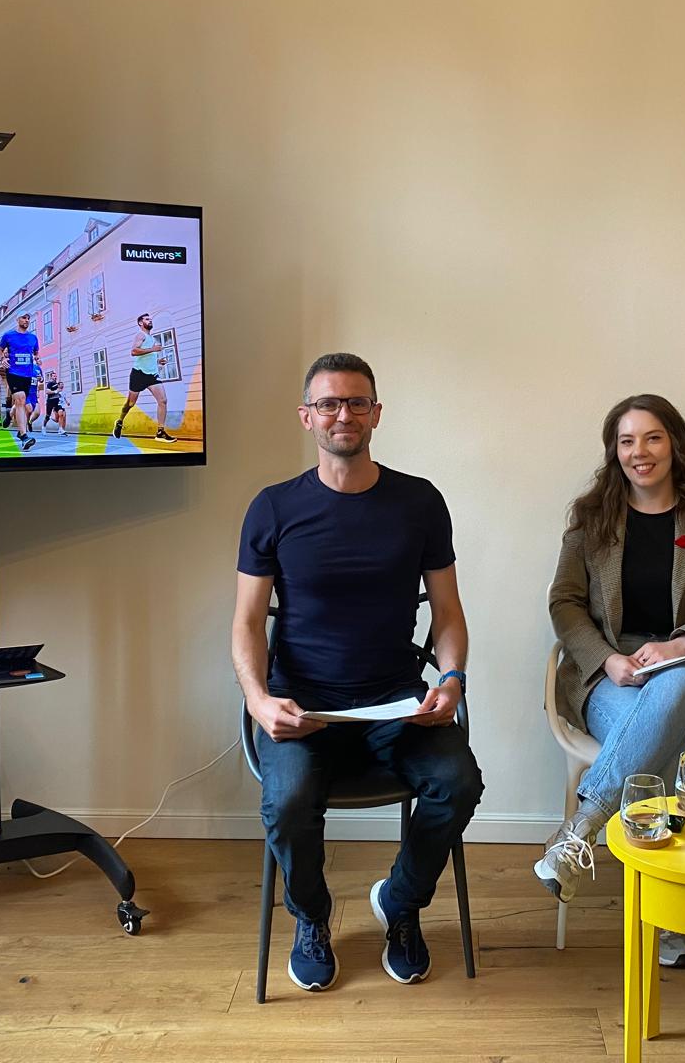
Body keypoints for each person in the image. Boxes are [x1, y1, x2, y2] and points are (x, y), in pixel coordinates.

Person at [232, 352, 483, 993]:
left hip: (395, 702)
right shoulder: (273, 508)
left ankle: (399, 902)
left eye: (356, 402)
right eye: (329, 403)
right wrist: (259, 700)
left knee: (458, 782)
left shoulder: (420, 502)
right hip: (301, 705)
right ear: (307, 416)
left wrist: (451, 679)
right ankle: (311, 917)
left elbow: (448, 614)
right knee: (288, 803)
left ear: (376, 413)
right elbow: (247, 622)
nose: (343, 414)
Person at [539, 393, 685, 969]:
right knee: (662, 744)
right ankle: (666, 920)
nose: (640, 451)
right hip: (612, 676)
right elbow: (565, 602)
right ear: (614, 451)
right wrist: (608, 660)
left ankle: (581, 828)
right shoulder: (591, 518)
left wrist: (683, 643)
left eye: (652, 437)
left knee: (676, 690)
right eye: (627, 440)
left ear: (674, 443)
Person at [112, 312, 176, 443]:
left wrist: (158, 361)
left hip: (152, 376)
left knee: (163, 401)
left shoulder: (151, 338)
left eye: (150, 319)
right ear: (141, 323)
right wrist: (153, 350)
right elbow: (134, 351)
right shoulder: (140, 335)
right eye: (147, 319)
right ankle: (119, 421)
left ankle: (160, 432)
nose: (150, 321)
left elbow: (147, 357)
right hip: (139, 374)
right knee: (130, 404)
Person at [0, 312, 40, 451]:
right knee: (20, 400)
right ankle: (25, 437)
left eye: (28, 318)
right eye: (23, 318)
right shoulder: (8, 335)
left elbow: (36, 353)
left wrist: (37, 359)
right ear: (17, 319)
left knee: (25, 405)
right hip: (13, 372)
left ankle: (19, 430)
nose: (26, 320)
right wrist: (3, 359)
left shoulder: (33, 338)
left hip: (27, 374)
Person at [42, 369, 67, 434]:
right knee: (47, 416)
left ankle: (60, 429)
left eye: (56, 376)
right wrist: (55, 391)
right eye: (54, 376)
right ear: (51, 377)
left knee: (61, 414)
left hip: (57, 402)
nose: (55, 377)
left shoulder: (57, 384)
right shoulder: (50, 384)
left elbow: (59, 392)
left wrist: (59, 394)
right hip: (50, 402)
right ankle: (43, 426)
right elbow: (47, 392)